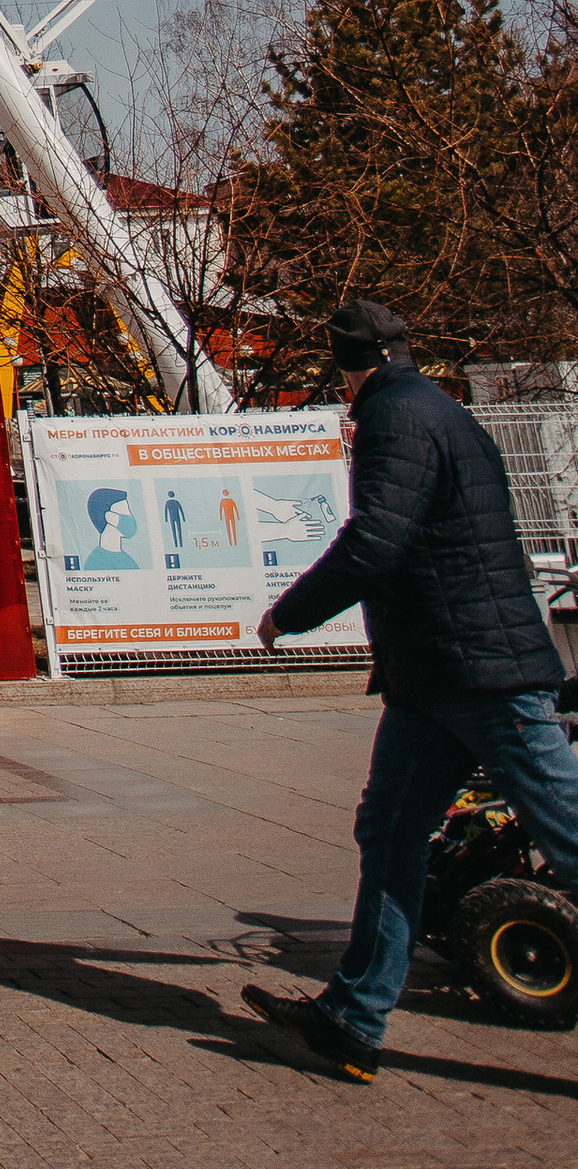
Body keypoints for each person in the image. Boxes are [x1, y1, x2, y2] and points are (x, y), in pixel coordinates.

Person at [243, 295, 578, 1083]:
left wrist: (288, 613)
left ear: (345, 367)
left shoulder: (394, 420)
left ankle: (354, 1015)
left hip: (478, 673)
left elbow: (378, 539)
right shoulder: (449, 413)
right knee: (389, 833)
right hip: (437, 674)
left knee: (568, 834)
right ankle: (352, 1020)